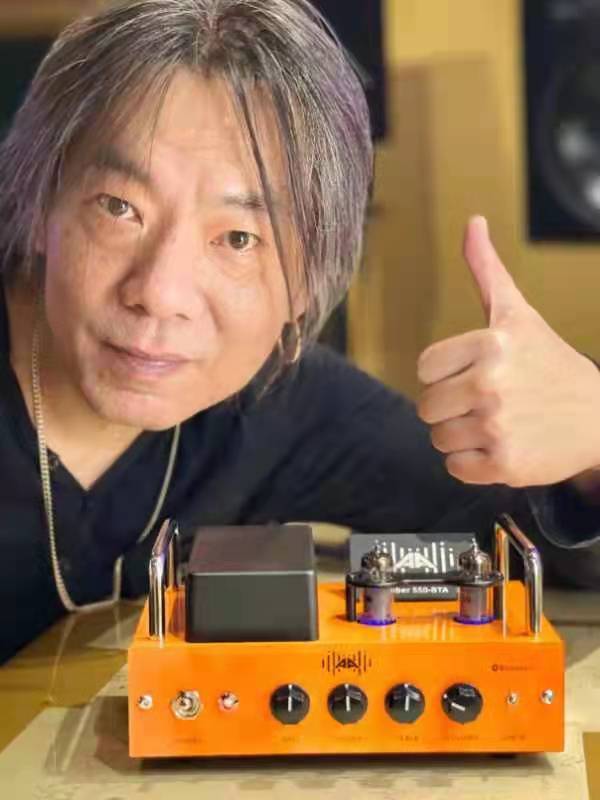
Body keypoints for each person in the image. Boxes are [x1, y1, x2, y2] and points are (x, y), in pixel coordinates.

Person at [0, 0, 599, 665]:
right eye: (120, 208)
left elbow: (525, 548)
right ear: (40, 204)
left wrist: (590, 440)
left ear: (309, 283)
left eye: (238, 238)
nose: (160, 293)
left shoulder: (282, 401)